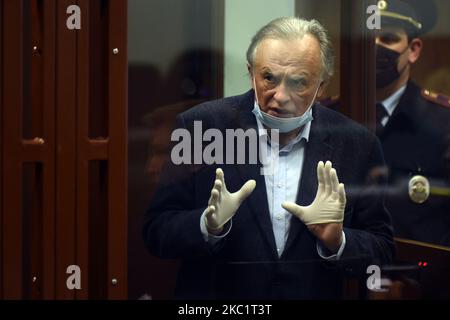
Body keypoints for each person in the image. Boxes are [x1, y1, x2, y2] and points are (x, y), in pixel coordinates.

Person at [143, 17, 394, 299]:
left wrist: (338, 241)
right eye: (269, 78)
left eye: (298, 82)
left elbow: (382, 250)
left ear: (321, 86)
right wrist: (207, 225)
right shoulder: (200, 128)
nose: (281, 96)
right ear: (252, 74)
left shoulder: (357, 144)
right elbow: (156, 232)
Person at [373, 0, 450, 246]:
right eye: (367, 38)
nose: (375, 47)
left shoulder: (442, 123)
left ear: (413, 50)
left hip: (416, 277)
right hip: (347, 277)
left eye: (387, 38)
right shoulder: (332, 116)